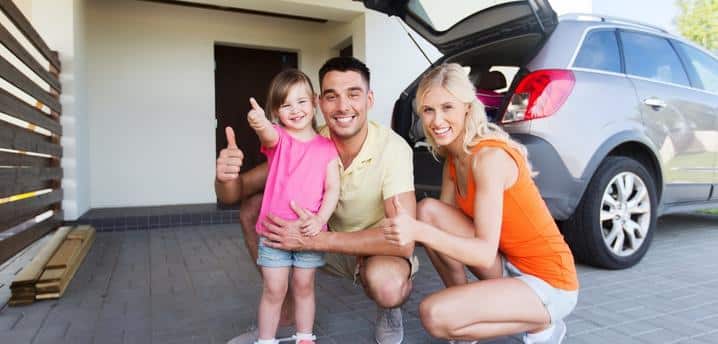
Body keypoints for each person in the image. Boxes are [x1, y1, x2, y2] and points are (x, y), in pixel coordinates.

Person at [216, 57, 418, 344]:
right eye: (332, 96)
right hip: (317, 239)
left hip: (369, 247)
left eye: (353, 94)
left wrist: (312, 240)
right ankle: (283, 309)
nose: (343, 106)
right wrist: (225, 177)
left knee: (388, 287)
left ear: (369, 99)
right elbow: (236, 192)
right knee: (252, 207)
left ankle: (388, 309)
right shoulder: (304, 141)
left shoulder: (393, 149)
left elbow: (404, 240)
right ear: (319, 102)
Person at [383, 63, 579, 344]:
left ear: (467, 107)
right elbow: (442, 236)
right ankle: (466, 320)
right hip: (507, 265)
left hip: (550, 282)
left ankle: (543, 327)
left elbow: (483, 254)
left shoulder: (488, 159)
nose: (437, 120)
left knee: (434, 315)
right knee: (428, 211)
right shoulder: (454, 158)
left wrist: (416, 231)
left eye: (447, 107)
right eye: (428, 110)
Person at [242, 69, 340, 344]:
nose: (295, 110)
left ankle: (305, 337)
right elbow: (267, 135)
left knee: (304, 286)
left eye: (301, 101)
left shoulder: (327, 147)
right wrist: (259, 122)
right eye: (286, 105)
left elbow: (333, 189)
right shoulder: (279, 139)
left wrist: (320, 219)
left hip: (310, 233)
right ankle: (266, 339)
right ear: (276, 112)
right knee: (274, 289)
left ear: (314, 102)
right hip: (274, 234)